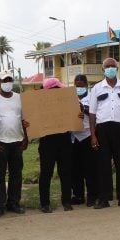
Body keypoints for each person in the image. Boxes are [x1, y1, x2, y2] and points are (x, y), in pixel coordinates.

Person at [89, 58, 120, 209]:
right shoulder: (97, 88)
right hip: (102, 130)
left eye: (113, 66)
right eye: (107, 66)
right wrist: (93, 135)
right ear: (102, 69)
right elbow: (92, 114)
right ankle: (104, 199)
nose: (110, 68)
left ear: (117, 68)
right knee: (103, 165)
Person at [0, 70, 28, 215]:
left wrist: (26, 138)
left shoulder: (19, 97)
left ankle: (14, 203)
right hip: (1, 142)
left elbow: (24, 120)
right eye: (4, 80)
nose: (7, 83)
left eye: (9, 80)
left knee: (16, 174)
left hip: (17, 141)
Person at [35, 77, 73, 213]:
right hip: (47, 143)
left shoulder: (67, 102)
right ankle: (45, 203)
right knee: (46, 173)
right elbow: (32, 122)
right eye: (55, 88)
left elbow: (76, 116)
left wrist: (78, 116)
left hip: (64, 141)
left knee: (65, 173)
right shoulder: (38, 106)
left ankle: (67, 201)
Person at [70, 74, 97, 207]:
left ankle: (92, 195)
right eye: (76, 85)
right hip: (74, 137)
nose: (78, 88)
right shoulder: (70, 98)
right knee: (76, 169)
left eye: (81, 86)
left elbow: (96, 112)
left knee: (90, 168)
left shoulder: (92, 97)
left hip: (87, 135)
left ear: (86, 85)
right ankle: (78, 195)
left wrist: (84, 110)